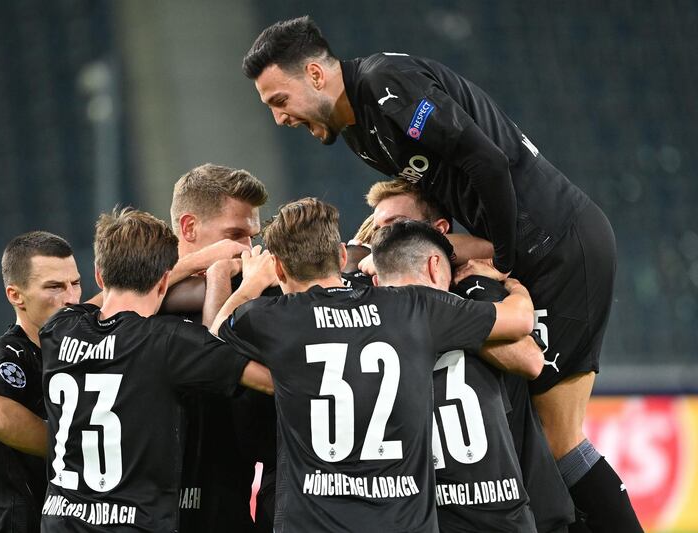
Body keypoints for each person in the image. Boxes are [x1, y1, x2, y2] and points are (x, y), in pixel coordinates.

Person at [243, 17, 639, 532]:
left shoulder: (386, 87)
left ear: (315, 75)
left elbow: (488, 162)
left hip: (560, 250)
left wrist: (504, 261)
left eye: (279, 101)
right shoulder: (359, 130)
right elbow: (438, 181)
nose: (280, 119)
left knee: (556, 436)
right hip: (536, 247)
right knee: (528, 426)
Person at [211, 198, 535, 532]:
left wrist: (250, 282)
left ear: (278, 268)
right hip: (403, 524)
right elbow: (521, 320)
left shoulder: (274, 318)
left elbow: (216, 332)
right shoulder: (411, 307)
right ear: (340, 255)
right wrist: (512, 285)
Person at [38, 207, 272, 532]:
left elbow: (95, 305)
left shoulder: (57, 331)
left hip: (60, 524)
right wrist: (246, 287)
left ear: (99, 276)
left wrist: (188, 263)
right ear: (163, 281)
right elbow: (267, 380)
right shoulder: (168, 342)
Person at [366, 179, 577, 532]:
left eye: (398, 224)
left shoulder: (477, 287)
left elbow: (528, 359)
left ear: (440, 233)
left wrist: (440, 316)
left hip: (523, 504)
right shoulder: (368, 294)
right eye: (380, 228)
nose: (385, 237)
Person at [167, 163, 274, 533]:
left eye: (251, 237)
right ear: (189, 228)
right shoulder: (141, 303)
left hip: (227, 513)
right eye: (234, 235)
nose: (246, 250)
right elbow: (95, 309)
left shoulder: (262, 297)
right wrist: (200, 268)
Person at [0, 231, 82, 533]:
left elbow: (119, 298)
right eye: (54, 287)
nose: (71, 297)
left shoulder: (75, 344)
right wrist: (70, 446)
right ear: (16, 295)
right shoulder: (10, 352)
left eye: (76, 283)